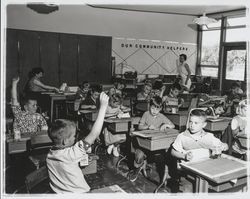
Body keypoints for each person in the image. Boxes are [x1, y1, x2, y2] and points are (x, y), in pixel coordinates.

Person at [46, 92, 109, 193]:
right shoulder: (72, 153)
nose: (75, 138)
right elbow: (94, 133)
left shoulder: (50, 154)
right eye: (74, 136)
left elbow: (66, 166)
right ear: (65, 141)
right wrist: (103, 107)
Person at [170, 109, 228, 188]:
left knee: (217, 187)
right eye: (191, 122)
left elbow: (224, 145)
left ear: (204, 125)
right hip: (188, 173)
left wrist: (224, 146)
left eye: (196, 123)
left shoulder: (209, 136)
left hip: (206, 171)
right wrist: (184, 156)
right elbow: (173, 152)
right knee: (187, 192)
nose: (192, 125)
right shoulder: (182, 136)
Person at [128, 96, 175, 182]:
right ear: (149, 106)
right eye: (153, 108)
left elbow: (172, 125)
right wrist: (148, 126)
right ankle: (136, 169)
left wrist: (166, 125)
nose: (154, 111)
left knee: (165, 154)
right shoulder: (146, 114)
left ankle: (165, 173)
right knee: (139, 156)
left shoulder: (161, 116)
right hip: (142, 143)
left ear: (160, 109)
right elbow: (140, 126)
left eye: (157, 109)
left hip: (154, 143)